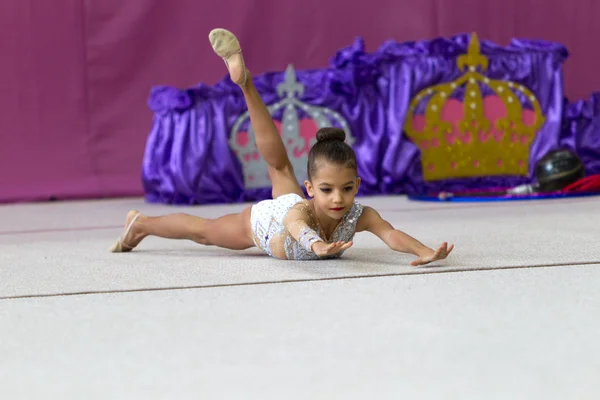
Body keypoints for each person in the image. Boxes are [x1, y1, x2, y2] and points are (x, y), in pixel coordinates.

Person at [110, 28, 454, 266]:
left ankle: (246, 85)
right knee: (204, 233)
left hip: (293, 206)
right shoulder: (299, 212)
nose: (338, 199)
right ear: (311, 189)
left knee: (279, 166)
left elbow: (390, 234)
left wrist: (424, 251)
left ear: (357, 186)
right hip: (264, 224)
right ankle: (141, 224)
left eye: (346, 189)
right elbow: (296, 229)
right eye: (327, 189)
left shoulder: (357, 213)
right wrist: (318, 246)